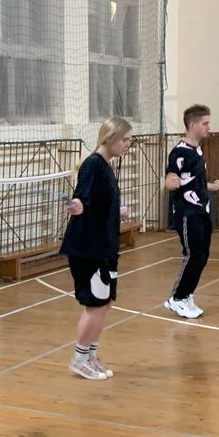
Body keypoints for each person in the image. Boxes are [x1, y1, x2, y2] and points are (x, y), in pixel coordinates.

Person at [59, 117, 133, 380]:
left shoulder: (106, 166)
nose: (128, 144)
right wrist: (76, 205)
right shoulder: (93, 165)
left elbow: (98, 204)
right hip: (88, 249)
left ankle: (90, 355)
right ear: (110, 138)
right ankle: (79, 359)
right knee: (96, 305)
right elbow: (79, 201)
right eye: (125, 139)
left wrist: (115, 211)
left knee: (106, 303)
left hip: (106, 248)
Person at [163, 104, 219, 319]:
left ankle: (187, 294)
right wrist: (168, 182)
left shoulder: (197, 151)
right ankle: (177, 298)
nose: (208, 127)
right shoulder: (180, 152)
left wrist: (210, 186)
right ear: (193, 125)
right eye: (205, 123)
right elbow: (171, 178)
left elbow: (193, 181)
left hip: (201, 210)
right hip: (187, 212)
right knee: (193, 254)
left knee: (202, 255)